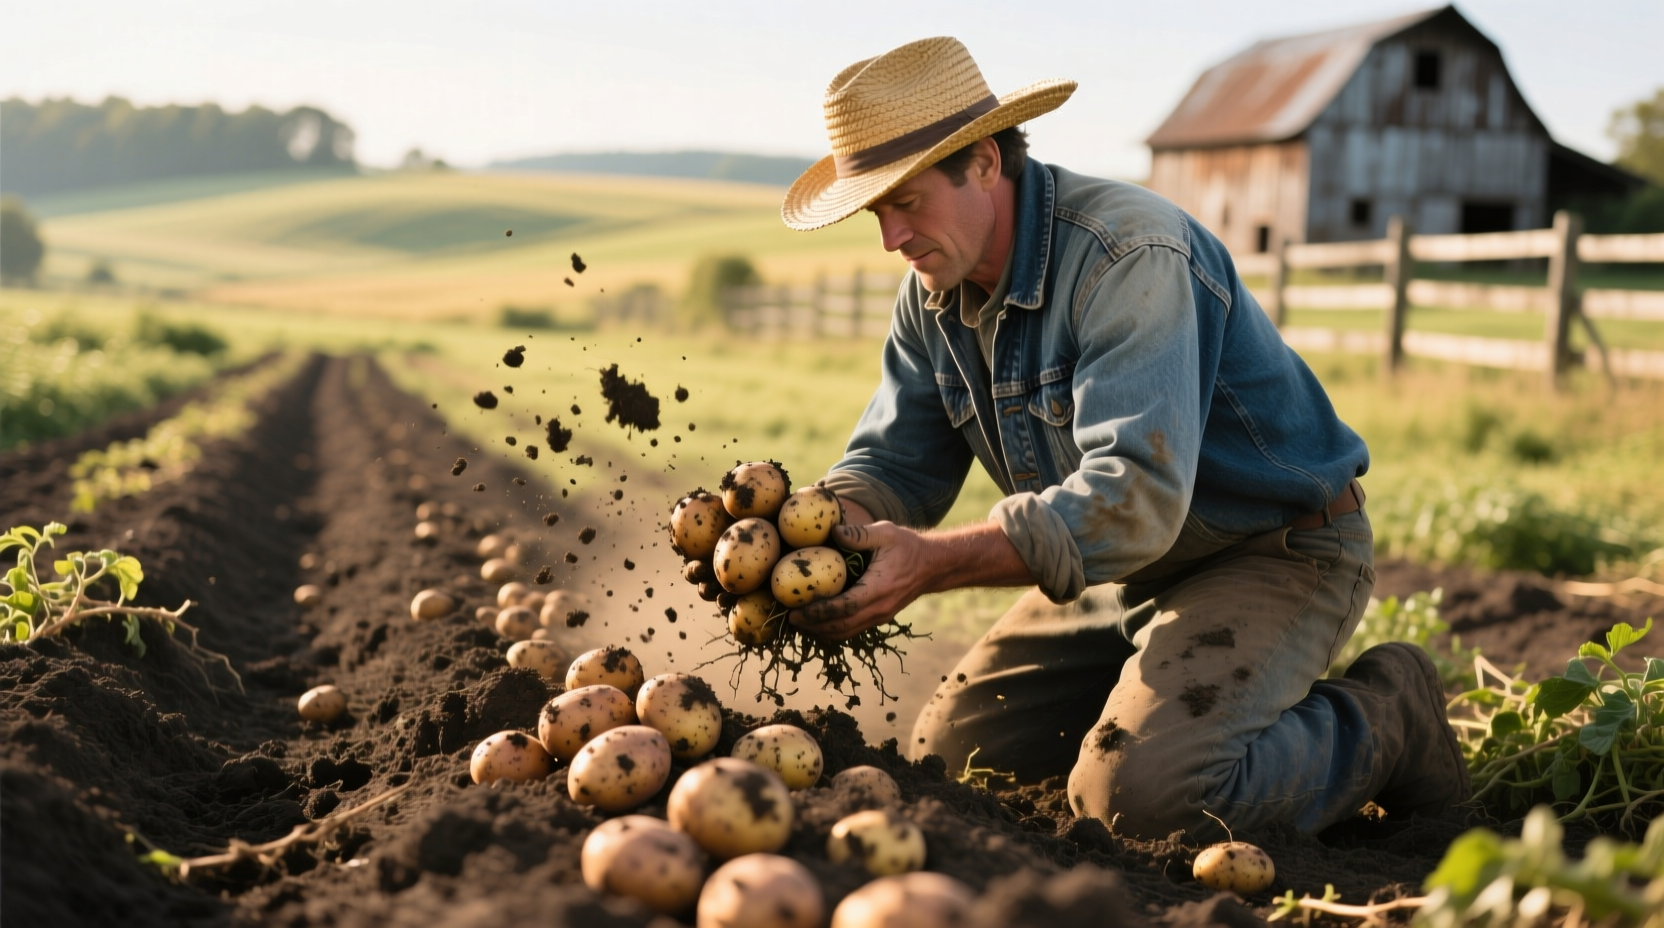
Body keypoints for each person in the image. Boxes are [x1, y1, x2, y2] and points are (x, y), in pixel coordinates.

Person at [777, 36, 1469, 838]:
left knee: (1146, 803)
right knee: (957, 751)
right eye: (875, 211)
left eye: (907, 201)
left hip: (1267, 550)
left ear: (986, 163)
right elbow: (896, 460)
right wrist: (814, 522)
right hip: (1118, 570)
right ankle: (1161, 709)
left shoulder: (1125, 255)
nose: (891, 238)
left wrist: (932, 563)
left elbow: (1134, 496)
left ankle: (1386, 716)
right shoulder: (932, 291)